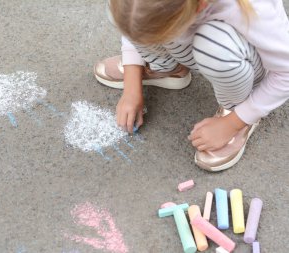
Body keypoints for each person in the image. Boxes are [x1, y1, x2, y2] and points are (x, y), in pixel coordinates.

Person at [94, 0, 289, 171]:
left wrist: (234, 122)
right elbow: (135, 13)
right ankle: (167, 68)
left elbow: (285, 72)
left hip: (239, 57)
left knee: (214, 44)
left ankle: (236, 105)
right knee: (120, 9)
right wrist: (131, 86)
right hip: (185, 27)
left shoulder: (251, 8)